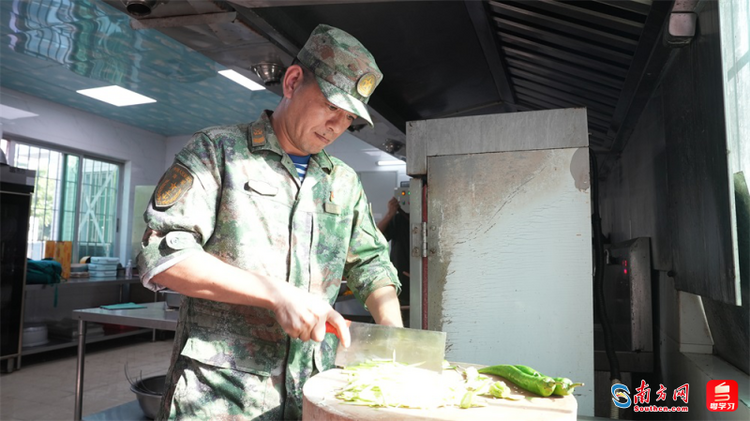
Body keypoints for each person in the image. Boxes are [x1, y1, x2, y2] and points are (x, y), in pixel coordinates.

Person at [137, 24, 402, 420]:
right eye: (331, 106)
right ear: (293, 81)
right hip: (221, 396)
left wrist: (393, 337)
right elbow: (165, 256)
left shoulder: (343, 182)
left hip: (311, 389)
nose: (336, 126)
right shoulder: (218, 152)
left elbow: (371, 263)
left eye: (348, 118)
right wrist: (277, 294)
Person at [377, 195, 410, 324]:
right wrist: (390, 214)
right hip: (401, 282)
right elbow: (375, 239)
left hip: (424, 284)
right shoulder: (399, 220)